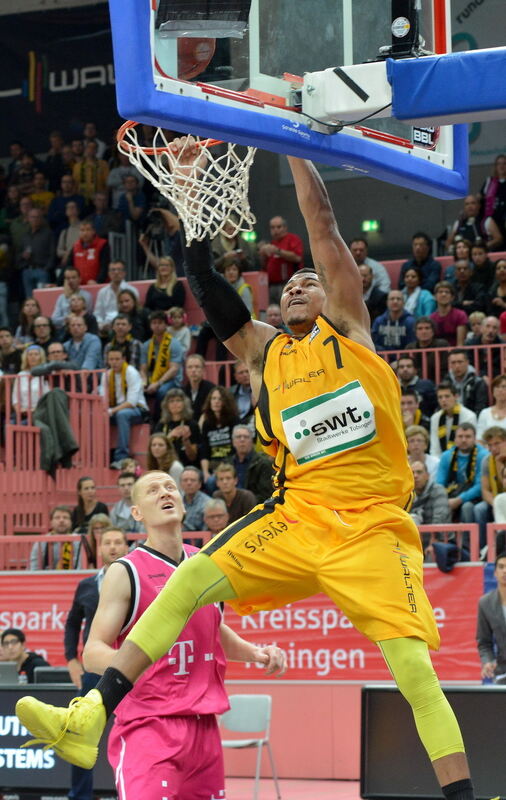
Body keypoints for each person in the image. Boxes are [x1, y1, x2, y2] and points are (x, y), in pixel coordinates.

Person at [16, 144, 485, 800]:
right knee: (185, 585)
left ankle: (461, 797)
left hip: (373, 528)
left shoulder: (349, 328)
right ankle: (89, 716)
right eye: (287, 284)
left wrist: (293, 144)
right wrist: (189, 202)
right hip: (297, 518)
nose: (295, 285)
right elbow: (206, 284)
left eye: (306, 282)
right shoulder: (265, 353)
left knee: (413, 671)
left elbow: (320, 222)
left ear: (337, 292)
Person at [82, 472, 285, 799]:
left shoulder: (206, 565)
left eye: (169, 488)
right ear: (137, 513)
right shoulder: (126, 572)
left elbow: (212, 627)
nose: (165, 493)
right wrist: (139, 660)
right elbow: (92, 653)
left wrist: (255, 653)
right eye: (152, 490)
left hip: (203, 727)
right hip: (149, 724)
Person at [64, 528, 130, 800]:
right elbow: (71, 624)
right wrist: (71, 660)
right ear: (100, 548)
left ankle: (129, 792)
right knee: (81, 735)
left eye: (118, 542)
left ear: (127, 547)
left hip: (129, 668)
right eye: (107, 543)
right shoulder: (87, 585)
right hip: (93, 672)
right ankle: (80, 796)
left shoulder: (135, 582)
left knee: (132, 732)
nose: (113, 547)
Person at [99, 347, 149, 469]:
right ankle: (99, 455)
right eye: (111, 359)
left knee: (122, 414)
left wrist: (111, 411)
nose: (114, 362)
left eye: (117, 359)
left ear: (124, 359)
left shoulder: (131, 372)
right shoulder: (106, 374)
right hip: (114, 409)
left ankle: (121, 457)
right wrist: (105, 410)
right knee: (94, 415)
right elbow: (102, 397)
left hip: (138, 410)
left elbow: (132, 402)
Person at [435, 422, 487, 525]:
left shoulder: (483, 455)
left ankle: (468, 541)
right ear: (455, 439)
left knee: (467, 507)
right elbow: (439, 484)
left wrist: (459, 499)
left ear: (474, 439)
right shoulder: (446, 456)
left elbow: (480, 486)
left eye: (468, 436)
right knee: (439, 505)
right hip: (452, 494)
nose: (464, 440)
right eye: (460, 436)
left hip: (476, 497)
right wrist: (444, 500)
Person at [140, 310, 184, 407]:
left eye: (160, 323)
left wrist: (158, 383)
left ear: (165, 325)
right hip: (151, 379)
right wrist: (143, 383)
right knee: (138, 390)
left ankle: (157, 420)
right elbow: (143, 368)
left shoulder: (174, 343)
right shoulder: (146, 345)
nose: (157, 326)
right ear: (150, 325)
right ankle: (144, 416)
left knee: (162, 391)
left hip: (171, 381)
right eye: (154, 323)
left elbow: (174, 369)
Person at [199, 385, 240, 489]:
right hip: (213, 465)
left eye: (220, 399)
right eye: (213, 398)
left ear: (226, 402)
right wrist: (205, 472)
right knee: (207, 480)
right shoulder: (207, 423)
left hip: (231, 464)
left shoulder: (233, 420)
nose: (216, 402)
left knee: (215, 481)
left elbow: (236, 448)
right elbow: (205, 450)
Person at [474, 426, 506, 553]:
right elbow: (485, 490)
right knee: (479, 509)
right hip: (496, 500)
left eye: (497, 443)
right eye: (490, 445)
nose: (493, 448)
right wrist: (495, 504)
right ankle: (483, 548)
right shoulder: (486, 461)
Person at [476, 552, 506, 684]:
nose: (505, 570)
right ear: (495, 573)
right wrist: (488, 661)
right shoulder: (485, 603)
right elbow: (484, 642)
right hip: (502, 672)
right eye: (501, 566)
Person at [153, 387, 202, 468]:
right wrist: (170, 436)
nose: (175, 404)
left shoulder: (192, 424)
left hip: (187, 467)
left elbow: (193, 457)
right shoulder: (161, 425)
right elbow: (155, 452)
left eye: (178, 400)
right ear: (166, 405)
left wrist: (186, 441)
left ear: (184, 403)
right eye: (171, 401)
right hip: (165, 466)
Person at [258, 215, 303, 302]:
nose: (276, 230)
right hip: (271, 285)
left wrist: (277, 251)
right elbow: (264, 266)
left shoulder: (293, 239)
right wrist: (262, 255)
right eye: (273, 228)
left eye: (279, 227)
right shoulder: (271, 243)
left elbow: (297, 258)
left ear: (285, 227)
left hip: (289, 283)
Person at [225, 424, 274, 503]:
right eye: (238, 437)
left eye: (246, 437)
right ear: (233, 442)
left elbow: (266, 495)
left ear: (252, 442)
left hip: (253, 505)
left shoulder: (263, 463)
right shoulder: (227, 463)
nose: (242, 440)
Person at [429, 381, 477, 457]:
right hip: (441, 461)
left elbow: (469, 444)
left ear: (456, 397)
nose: (443, 400)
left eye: (447, 396)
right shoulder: (435, 418)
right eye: (440, 397)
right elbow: (435, 448)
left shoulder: (469, 416)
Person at [93, 260, 139, 337]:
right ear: (108, 273)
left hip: (127, 327)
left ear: (124, 273)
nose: (116, 272)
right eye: (113, 270)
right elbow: (98, 315)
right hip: (106, 329)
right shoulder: (102, 292)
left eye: (119, 269)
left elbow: (136, 312)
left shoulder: (132, 290)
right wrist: (101, 326)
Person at [29, 505, 77, 570]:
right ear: (51, 522)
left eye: (65, 517)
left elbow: (81, 566)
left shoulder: (78, 541)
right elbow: (34, 568)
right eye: (57, 518)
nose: (61, 520)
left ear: (71, 522)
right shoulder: (41, 542)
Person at [445, 349, 489, 417]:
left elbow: (480, 408)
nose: (457, 366)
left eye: (460, 362)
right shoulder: (446, 383)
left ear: (467, 362)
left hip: (471, 421)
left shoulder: (478, 383)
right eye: (453, 363)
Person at [409, 460, 451, 530]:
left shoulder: (438, 490)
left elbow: (439, 521)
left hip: (441, 538)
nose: (415, 476)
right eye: (412, 473)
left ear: (427, 476)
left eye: (419, 472)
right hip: (416, 537)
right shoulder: (407, 495)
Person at [11, 345, 49, 419]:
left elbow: (47, 397)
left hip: (40, 412)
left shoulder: (45, 374)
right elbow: (15, 398)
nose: (33, 357)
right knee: (9, 423)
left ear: (41, 357)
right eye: (30, 354)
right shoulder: (20, 375)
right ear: (26, 357)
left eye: (36, 354)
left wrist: (34, 410)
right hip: (22, 412)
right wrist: (19, 410)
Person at [51, 267, 93, 332]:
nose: (70, 280)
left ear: (79, 279)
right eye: (68, 278)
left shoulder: (86, 296)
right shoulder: (61, 297)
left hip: (82, 329)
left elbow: (88, 316)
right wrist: (66, 319)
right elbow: (54, 320)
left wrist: (68, 298)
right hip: (63, 330)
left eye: (73, 278)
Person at [70, 221, 109, 285]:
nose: (85, 233)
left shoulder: (103, 244)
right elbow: (68, 267)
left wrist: (98, 281)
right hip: (79, 288)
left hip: (98, 286)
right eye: (82, 230)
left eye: (88, 230)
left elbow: (105, 266)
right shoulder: (75, 246)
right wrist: (57, 284)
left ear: (93, 231)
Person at [430, 282, 468, 347]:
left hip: (456, 353)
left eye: (447, 292)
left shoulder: (460, 315)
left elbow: (460, 344)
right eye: (440, 292)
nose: (443, 294)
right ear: (435, 297)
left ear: (452, 297)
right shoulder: (431, 318)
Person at [183, 353, 215, 422]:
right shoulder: (182, 391)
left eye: (197, 367)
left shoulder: (212, 389)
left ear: (203, 369)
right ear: (186, 371)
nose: (193, 370)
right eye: (190, 367)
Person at [476, 374, 506, 441]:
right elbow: (479, 439)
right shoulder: (485, 413)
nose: (500, 390)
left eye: (504, 387)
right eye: (497, 387)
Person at [180, 466, 210, 533]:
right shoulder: (175, 501)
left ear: (199, 484)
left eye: (193, 480)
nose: (189, 483)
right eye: (185, 480)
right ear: (180, 484)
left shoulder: (208, 503)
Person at [229, 359, 255, 426]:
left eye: (247, 371)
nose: (245, 375)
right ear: (235, 376)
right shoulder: (230, 392)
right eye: (241, 372)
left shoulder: (259, 390)